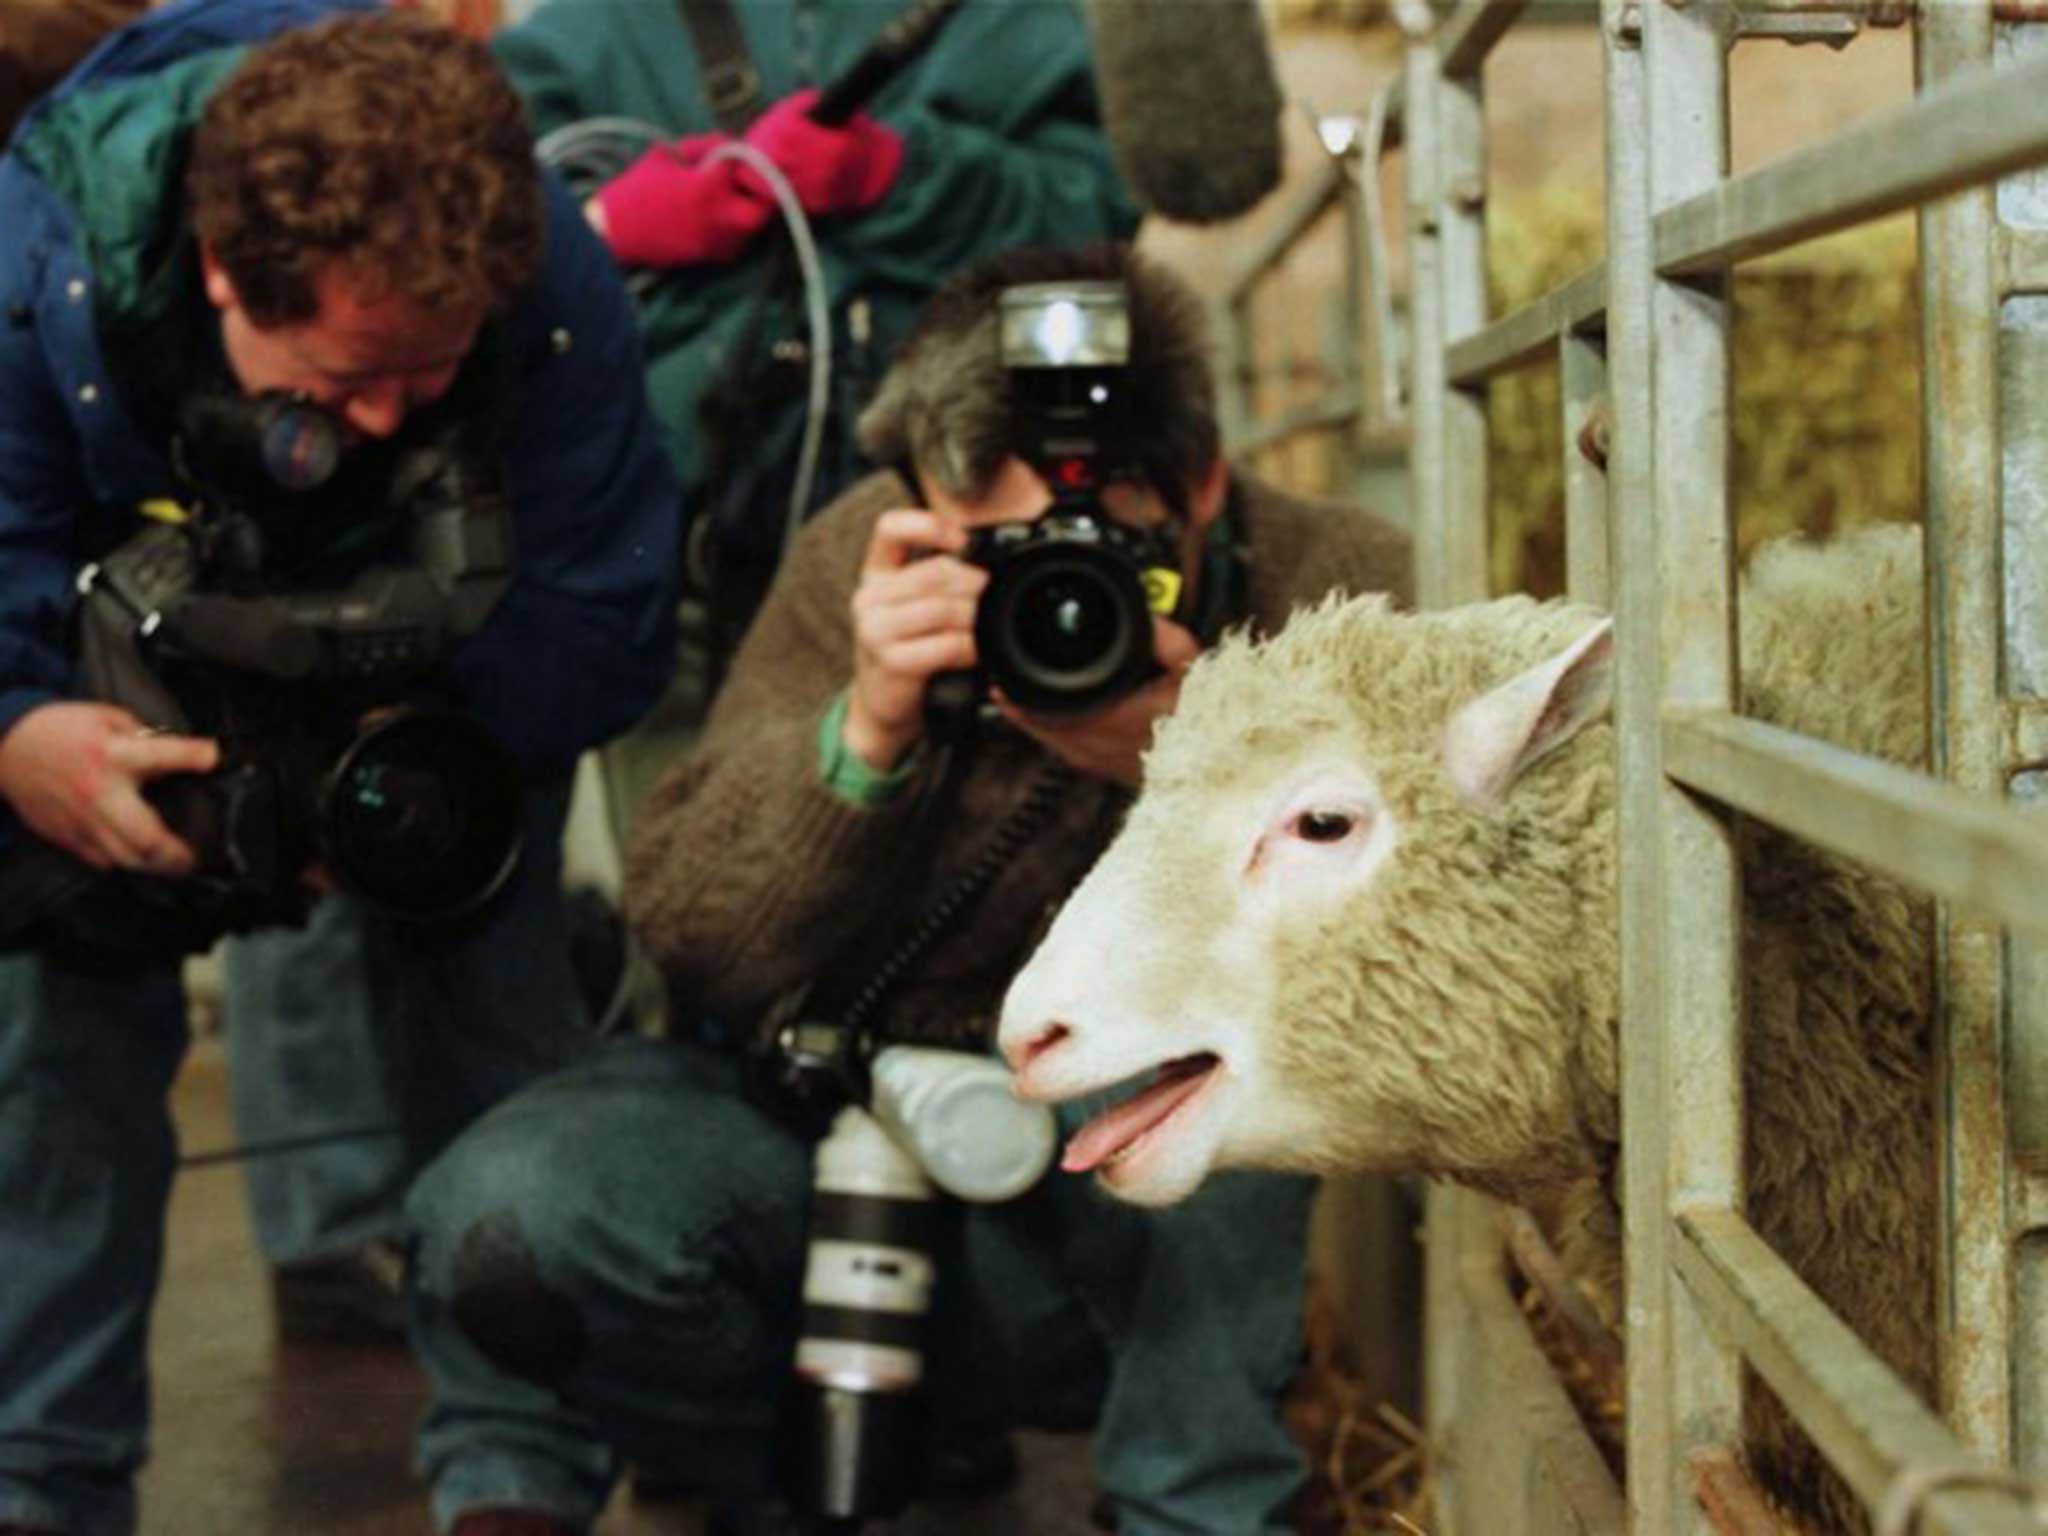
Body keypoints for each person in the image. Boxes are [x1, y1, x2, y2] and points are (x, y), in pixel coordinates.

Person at [404, 242, 1415, 1536]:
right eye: (1009, 556)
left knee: (1231, 1072)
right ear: (921, 498)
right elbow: (690, 933)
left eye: (1111, 546)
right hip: (837, 1148)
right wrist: (866, 738)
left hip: (1121, 1247)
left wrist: (1201, 762)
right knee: (510, 1211)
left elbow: (1420, 946)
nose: (1061, 591)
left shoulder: (1330, 581)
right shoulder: (863, 569)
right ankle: (765, 1475)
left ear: (1207, 483)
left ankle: (1200, 1510)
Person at [0, 3, 681, 1531]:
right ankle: (37, 1481)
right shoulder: (31, 246)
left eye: (425, 379)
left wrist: (429, 751)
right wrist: (18, 734)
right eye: (336, 386)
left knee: (504, 1046)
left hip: (441, 684)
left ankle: (518, 1475)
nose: (378, 424)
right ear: (226, 273)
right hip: (127, 680)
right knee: (50, 1062)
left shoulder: (540, 273)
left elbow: (608, 597)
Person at [487, 0, 1143, 819]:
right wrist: (604, 229)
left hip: (973, 577)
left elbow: (1095, 223)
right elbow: (462, 269)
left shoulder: (1006, 22)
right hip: (686, 591)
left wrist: (901, 177)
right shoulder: (579, 43)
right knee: (701, 890)